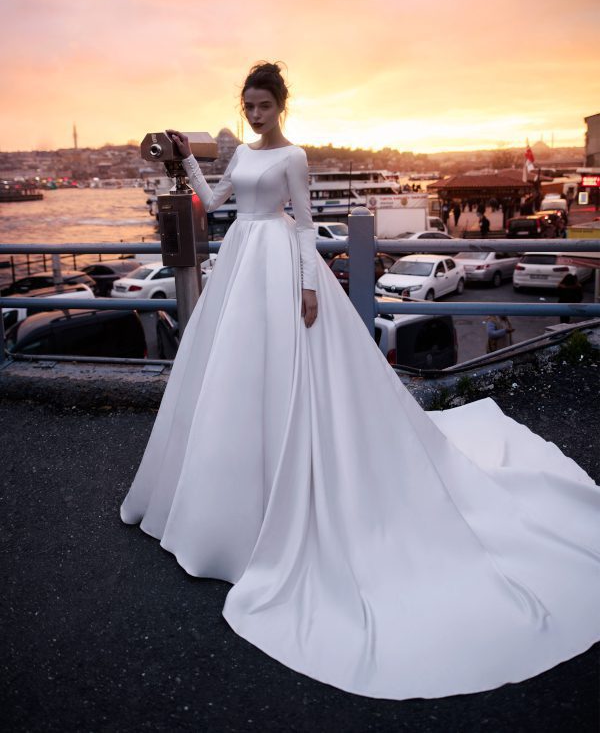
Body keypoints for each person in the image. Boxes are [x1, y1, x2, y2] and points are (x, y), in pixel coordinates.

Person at [120, 61, 600, 701]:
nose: (256, 113)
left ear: (280, 107)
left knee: (288, 377)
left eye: (264, 105)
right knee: (229, 383)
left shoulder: (294, 155)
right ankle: (225, 506)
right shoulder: (238, 156)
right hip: (241, 264)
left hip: (278, 266)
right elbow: (213, 204)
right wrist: (184, 163)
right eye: (249, 105)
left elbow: (300, 223)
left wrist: (310, 284)